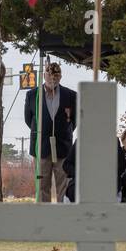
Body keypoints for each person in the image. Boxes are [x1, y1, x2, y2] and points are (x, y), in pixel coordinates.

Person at [24, 61, 77, 201]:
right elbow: (29, 120)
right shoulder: (32, 95)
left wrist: (64, 133)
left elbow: (74, 120)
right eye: (49, 73)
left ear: (60, 76)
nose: (52, 76)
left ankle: (63, 215)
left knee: (63, 184)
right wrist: (43, 131)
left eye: (56, 73)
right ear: (44, 74)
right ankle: (43, 215)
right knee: (42, 185)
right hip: (41, 147)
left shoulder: (71, 95)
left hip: (63, 147)